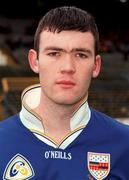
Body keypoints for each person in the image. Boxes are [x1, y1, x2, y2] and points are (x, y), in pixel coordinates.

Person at [0, 6, 129, 180]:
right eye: (54, 53)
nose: (68, 67)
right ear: (34, 61)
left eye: (81, 55)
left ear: (96, 65)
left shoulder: (124, 144)